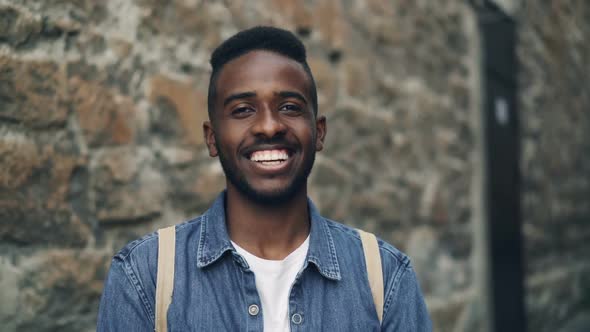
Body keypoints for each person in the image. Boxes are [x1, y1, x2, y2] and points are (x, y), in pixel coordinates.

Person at [97, 26, 432, 331]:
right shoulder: (144, 276)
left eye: (289, 107)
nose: (269, 126)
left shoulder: (385, 277)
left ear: (318, 132)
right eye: (243, 110)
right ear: (212, 138)